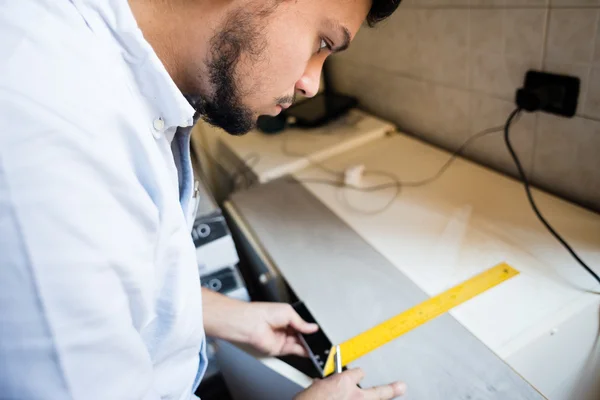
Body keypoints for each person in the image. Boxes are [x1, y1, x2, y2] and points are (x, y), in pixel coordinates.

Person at [0, 0, 405, 399]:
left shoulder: (100, 71)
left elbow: (111, 277)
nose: (311, 84)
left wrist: (216, 312)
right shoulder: (48, 126)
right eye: (322, 43)